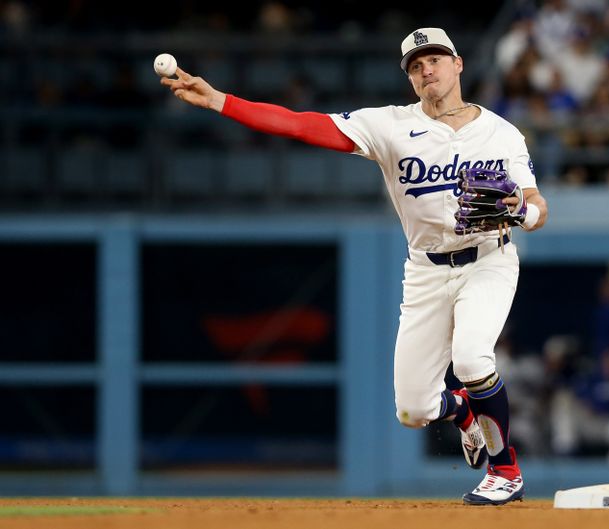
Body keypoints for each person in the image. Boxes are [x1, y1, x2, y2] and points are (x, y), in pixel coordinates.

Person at [160, 27, 548, 505]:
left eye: (435, 60)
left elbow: (536, 206)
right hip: (427, 269)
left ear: (458, 64)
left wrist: (521, 212)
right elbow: (299, 124)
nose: (427, 70)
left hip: (488, 259)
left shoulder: (500, 131)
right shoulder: (388, 125)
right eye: (415, 65)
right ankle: (466, 414)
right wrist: (221, 100)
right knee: (414, 409)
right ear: (410, 78)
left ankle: (505, 472)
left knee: (471, 357)